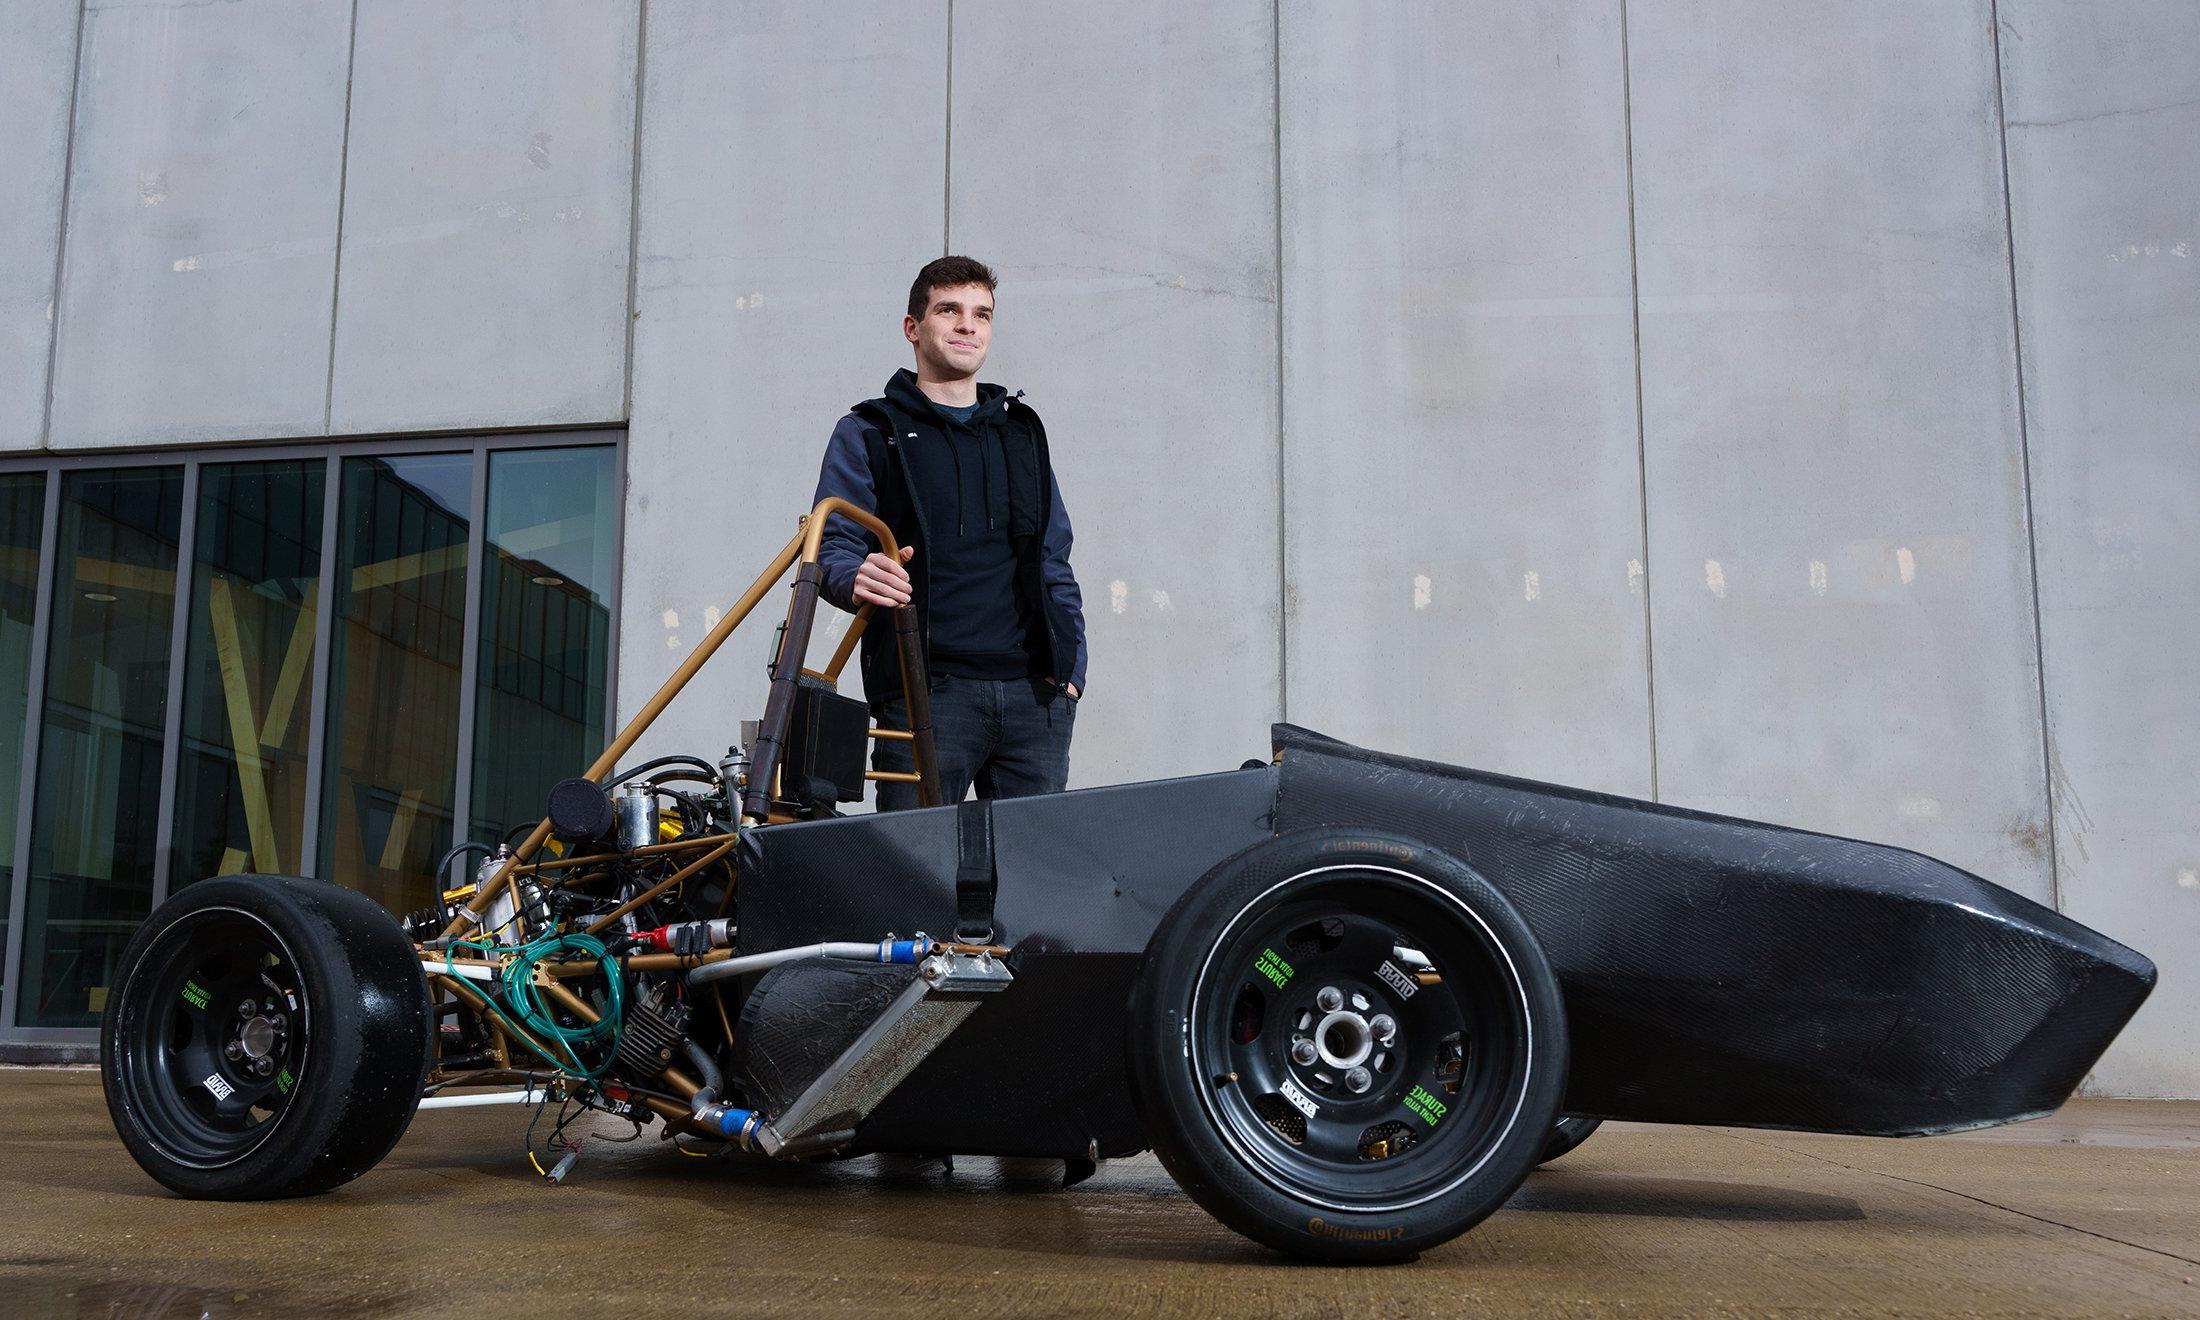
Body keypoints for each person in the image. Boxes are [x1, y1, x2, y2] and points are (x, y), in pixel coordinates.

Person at [811, 256, 1087, 810]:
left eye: (982, 314)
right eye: (950, 310)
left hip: (1035, 698)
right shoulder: (870, 431)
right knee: (915, 882)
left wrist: (1071, 670)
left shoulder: (1022, 433)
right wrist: (854, 575)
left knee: (1030, 885)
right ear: (913, 327)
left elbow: (1053, 557)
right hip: (924, 695)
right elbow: (833, 546)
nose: (968, 325)